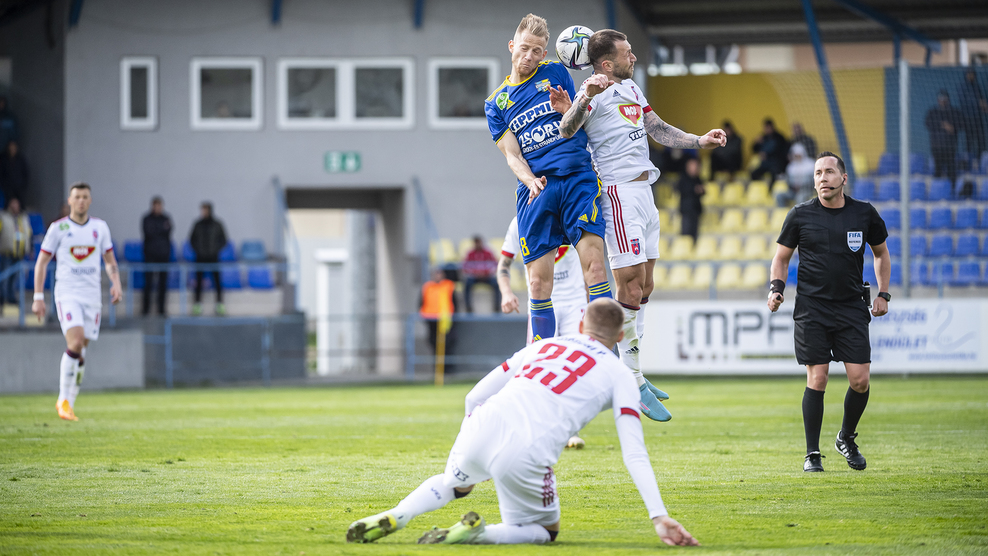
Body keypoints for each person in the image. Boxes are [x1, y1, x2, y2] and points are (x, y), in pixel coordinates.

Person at [346, 298, 699, 547]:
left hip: (483, 421)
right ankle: (478, 534)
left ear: (580, 326)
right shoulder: (620, 374)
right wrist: (658, 516)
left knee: (456, 484)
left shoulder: (544, 346)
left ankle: (398, 514)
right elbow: (634, 453)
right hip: (528, 448)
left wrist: (475, 436)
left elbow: (473, 396)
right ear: (620, 337)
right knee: (546, 531)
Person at [554, 28, 724, 419]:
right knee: (629, 284)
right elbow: (566, 128)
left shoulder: (631, 89)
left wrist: (699, 141)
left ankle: (637, 373)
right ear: (606, 62)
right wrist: (585, 97)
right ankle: (629, 379)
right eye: (627, 53)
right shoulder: (590, 92)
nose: (633, 57)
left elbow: (657, 128)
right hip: (618, 194)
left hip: (646, 194)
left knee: (646, 286)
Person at [484, 13, 612, 349]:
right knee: (538, 286)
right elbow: (512, 155)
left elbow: (577, 118)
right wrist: (529, 180)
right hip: (537, 190)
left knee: (595, 268)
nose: (529, 56)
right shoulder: (496, 103)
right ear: (512, 46)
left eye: (537, 51)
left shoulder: (556, 72)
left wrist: (569, 107)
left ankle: (607, 357)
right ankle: (542, 364)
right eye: (524, 48)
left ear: (545, 53)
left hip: (576, 178)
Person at [768, 152, 890, 473]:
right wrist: (776, 288)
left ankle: (846, 437)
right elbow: (781, 258)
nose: (823, 177)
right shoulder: (800, 215)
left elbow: (881, 254)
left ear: (843, 178)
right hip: (812, 309)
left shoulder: (864, 213)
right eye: (818, 173)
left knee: (860, 380)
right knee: (818, 377)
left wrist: (883, 293)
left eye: (829, 172)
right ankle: (812, 453)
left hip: (851, 307)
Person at [498, 215, 593, 447]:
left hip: (574, 302)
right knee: (537, 363)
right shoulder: (520, 221)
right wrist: (506, 293)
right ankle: (534, 425)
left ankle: (570, 430)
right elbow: (503, 265)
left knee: (574, 365)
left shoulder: (570, 212)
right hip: (540, 303)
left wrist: (591, 298)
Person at [32, 182, 122, 421]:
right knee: (76, 342)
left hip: (92, 296)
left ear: (90, 201)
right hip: (68, 293)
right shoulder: (58, 228)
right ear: (70, 201)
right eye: (77, 197)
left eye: (85, 197)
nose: (81, 201)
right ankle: (62, 399)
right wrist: (38, 297)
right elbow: (41, 263)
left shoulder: (99, 228)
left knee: (81, 351)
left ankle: (70, 403)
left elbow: (110, 260)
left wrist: (116, 283)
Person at [189, 201, 227, 316]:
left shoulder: (217, 224)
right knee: (198, 282)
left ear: (210, 210)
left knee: (217, 282)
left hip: (214, 257)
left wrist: (215, 250)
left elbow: (224, 240)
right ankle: (197, 305)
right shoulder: (197, 224)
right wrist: (198, 250)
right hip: (200, 257)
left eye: (205, 210)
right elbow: (191, 240)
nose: (203, 212)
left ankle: (219, 305)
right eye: (202, 210)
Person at [420, 267, 458, 369]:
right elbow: (422, 302)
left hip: (446, 320)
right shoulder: (428, 287)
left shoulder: (448, 285)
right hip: (431, 320)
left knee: (448, 344)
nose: (437, 276)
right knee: (434, 344)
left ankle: (448, 369)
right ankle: (437, 368)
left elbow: (454, 303)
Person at [141, 196, 172, 316]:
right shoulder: (147, 219)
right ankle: (145, 309)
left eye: (159, 206)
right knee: (148, 283)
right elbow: (149, 233)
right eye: (156, 206)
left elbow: (168, 231)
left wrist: (157, 231)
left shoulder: (166, 218)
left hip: (163, 255)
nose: (157, 208)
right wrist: (160, 230)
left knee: (163, 283)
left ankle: (161, 309)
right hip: (150, 255)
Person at [925, 90, 963, 186]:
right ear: (938, 100)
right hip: (936, 146)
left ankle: (953, 189)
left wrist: (952, 127)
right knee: (938, 170)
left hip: (950, 146)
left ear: (948, 100)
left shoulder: (955, 112)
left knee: (951, 170)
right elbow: (928, 123)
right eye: (941, 99)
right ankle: (938, 190)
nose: (942, 101)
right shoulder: (932, 112)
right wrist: (942, 124)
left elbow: (961, 125)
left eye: (944, 99)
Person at [0, 197, 32, 307]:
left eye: (16, 204)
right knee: (5, 276)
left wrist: (31, 249)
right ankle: (2, 298)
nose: (15, 206)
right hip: (6, 252)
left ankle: (11, 298)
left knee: (15, 278)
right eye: (12, 204)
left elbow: (29, 234)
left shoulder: (24, 218)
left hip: (19, 253)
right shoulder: (3, 217)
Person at [461, 235, 500, 313]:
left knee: (496, 284)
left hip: (487, 276)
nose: (478, 245)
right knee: (467, 284)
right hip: (475, 277)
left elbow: (495, 265)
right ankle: (468, 307)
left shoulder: (488, 253)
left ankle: (497, 307)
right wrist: (475, 273)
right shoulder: (470, 254)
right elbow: (465, 267)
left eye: (479, 242)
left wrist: (486, 273)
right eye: (476, 243)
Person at [957, 70, 987, 168]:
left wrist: (984, 105)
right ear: (966, 75)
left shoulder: (977, 86)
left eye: (972, 74)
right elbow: (964, 101)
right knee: (969, 142)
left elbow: (982, 99)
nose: (971, 76)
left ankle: (980, 163)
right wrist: (978, 103)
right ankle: (968, 164)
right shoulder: (962, 87)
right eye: (969, 74)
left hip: (978, 118)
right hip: (968, 119)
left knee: (981, 140)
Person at [750, 118, 789, 185]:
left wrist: (767, 154)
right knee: (753, 174)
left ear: (772, 127)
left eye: (768, 128)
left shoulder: (779, 137)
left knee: (773, 173)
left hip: (776, 163)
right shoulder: (763, 137)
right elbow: (754, 149)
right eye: (766, 128)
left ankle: (771, 188)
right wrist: (756, 143)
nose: (767, 130)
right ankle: (763, 186)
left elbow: (781, 151)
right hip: (765, 163)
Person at [778, 142, 815, 207]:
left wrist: (801, 185)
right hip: (794, 191)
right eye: (795, 155)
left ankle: (799, 213)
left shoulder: (811, 164)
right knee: (779, 196)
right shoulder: (791, 166)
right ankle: (784, 211)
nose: (797, 157)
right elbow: (788, 181)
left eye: (798, 155)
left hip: (807, 191)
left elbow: (813, 181)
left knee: (800, 198)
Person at [677, 157, 704, 241]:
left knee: (694, 234)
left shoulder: (698, 179)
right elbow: (680, 189)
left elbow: (703, 191)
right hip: (686, 210)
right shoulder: (683, 178)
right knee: (686, 234)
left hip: (696, 210)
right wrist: (694, 189)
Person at [0, 140, 28, 205]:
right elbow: (1, 173)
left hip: (19, 187)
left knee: (20, 204)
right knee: (8, 203)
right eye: (11, 147)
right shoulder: (4, 159)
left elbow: (25, 173)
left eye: (14, 147)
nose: (12, 149)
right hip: (8, 188)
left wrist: (23, 185)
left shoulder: (21, 159)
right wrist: (4, 186)